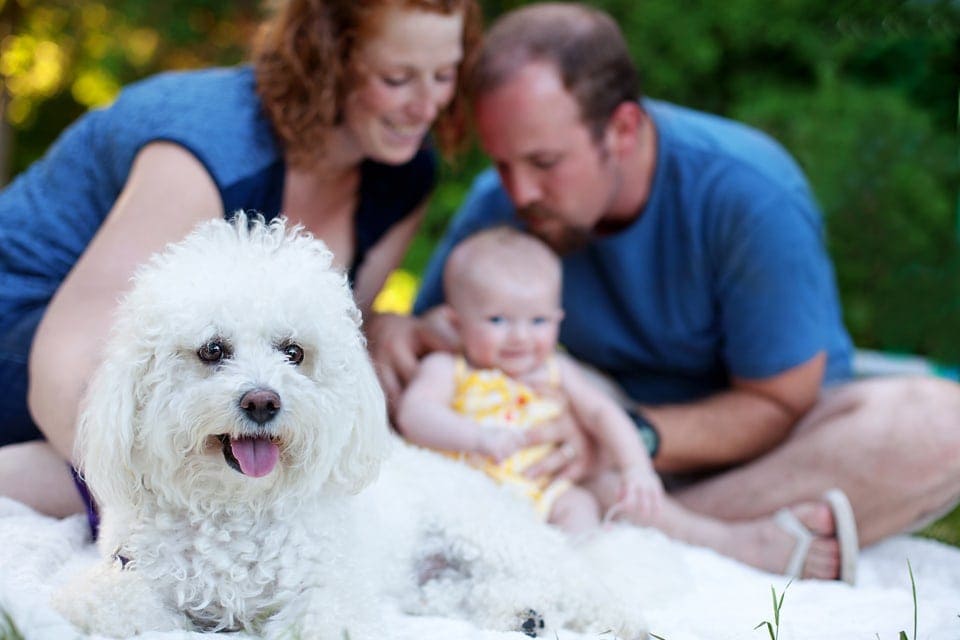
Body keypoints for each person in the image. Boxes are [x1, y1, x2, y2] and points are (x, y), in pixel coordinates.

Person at [376, 2, 960, 582]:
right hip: (567, 462)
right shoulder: (498, 205)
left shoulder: (747, 193)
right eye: (502, 164)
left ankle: (658, 529)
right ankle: (706, 539)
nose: (520, 190)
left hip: (765, 459)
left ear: (623, 129)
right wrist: (396, 333)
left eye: (545, 162)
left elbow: (782, 400)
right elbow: (440, 346)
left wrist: (625, 436)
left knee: (943, 424)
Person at [0, 0, 482, 524]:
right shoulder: (209, 150)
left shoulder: (404, 172)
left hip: (214, 376)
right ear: (324, 59)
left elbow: (336, 334)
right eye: (396, 78)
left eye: (444, 75)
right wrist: (144, 507)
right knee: (170, 444)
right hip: (31, 332)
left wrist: (386, 331)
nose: (426, 105)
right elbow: (68, 366)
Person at [396, 226, 663, 535]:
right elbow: (415, 414)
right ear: (457, 323)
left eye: (538, 321)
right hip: (471, 485)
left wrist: (636, 467)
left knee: (579, 506)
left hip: (543, 492)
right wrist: (478, 438)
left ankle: (577, 569)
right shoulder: (450, 369)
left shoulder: (557, 369)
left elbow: (602, 413)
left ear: (558, 319)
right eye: (498, 320)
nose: (520, 337)